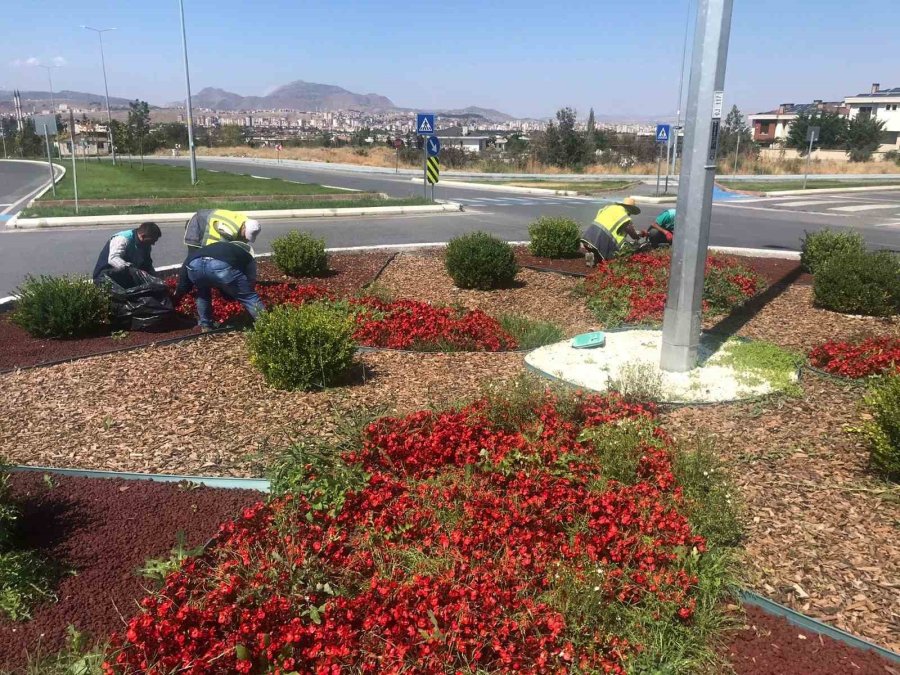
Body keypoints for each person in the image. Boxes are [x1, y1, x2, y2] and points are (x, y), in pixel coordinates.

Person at [173, 220, 264, 331]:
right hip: (219, 266)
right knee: (249, 296)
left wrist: (179, 292)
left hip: (194, 265)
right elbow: (250, 280)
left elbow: (186, 266)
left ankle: (205, 325)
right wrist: (235, 293)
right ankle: (266, 324)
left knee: (202, 292)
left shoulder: (215, 246)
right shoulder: (247, 254)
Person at [580, 197, 644, 263]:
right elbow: (631, 231)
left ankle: (593, 256)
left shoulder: (609, 207)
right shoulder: (624, 215)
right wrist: (637, 237)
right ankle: (597, 258)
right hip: (602, 238)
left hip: (590, 234)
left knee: (596, 250)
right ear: (630, 209)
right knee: (612, 255)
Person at [92, 222, 161, 283]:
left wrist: (156, 279)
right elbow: (113, 259)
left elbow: (147, 264)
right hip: (105, 276)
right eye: (152, 240)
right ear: (143, 236)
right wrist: (131, 269)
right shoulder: (122, 239)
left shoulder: (146, 245)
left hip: (124, 276)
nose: (153, 244)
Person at [183, 209, 260, 250]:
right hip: (197, 225)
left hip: (202, 219)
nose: (246, 238)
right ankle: (184, 279)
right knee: (192, 258)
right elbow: (222, 248)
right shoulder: (229, 230)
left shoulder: (243, 220)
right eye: (246, 234)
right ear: (244, 226)